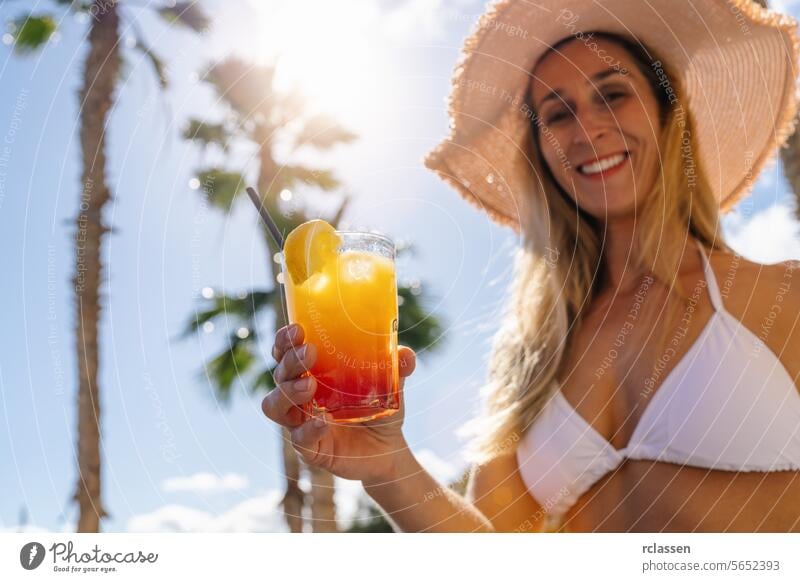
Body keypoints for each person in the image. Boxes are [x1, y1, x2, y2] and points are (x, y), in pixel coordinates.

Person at [263, 0, 800, 532]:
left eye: (612, 94)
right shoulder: (533, 355)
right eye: (558, 114)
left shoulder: (784, 293)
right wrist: (385, 468)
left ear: (667, 113)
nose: (587, 128)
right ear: (541, 150)